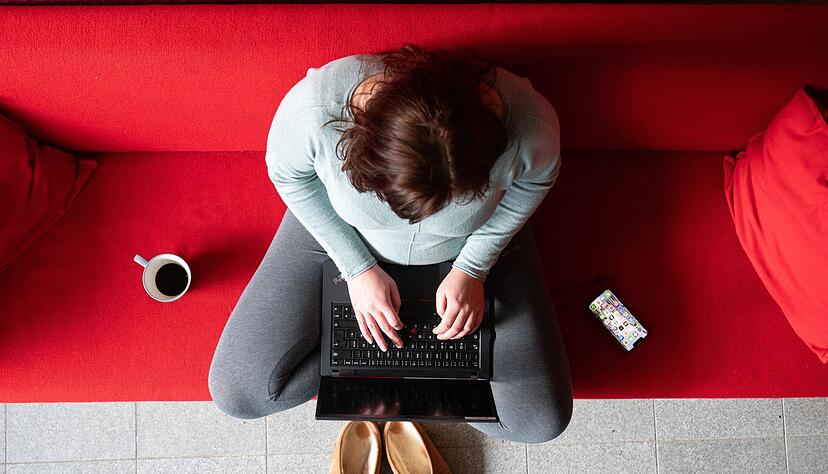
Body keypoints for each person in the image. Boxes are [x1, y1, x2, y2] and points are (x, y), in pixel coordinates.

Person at [208, 44, 572, 443]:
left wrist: (473, 267)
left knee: (539, 423)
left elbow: (535, 182)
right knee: (238, 394)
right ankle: (403, 359)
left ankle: (393, 359)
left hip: (473, 245)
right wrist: (357, 269)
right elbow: (290, 178)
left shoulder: (530, 125)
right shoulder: (315, 112)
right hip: (345, 232)